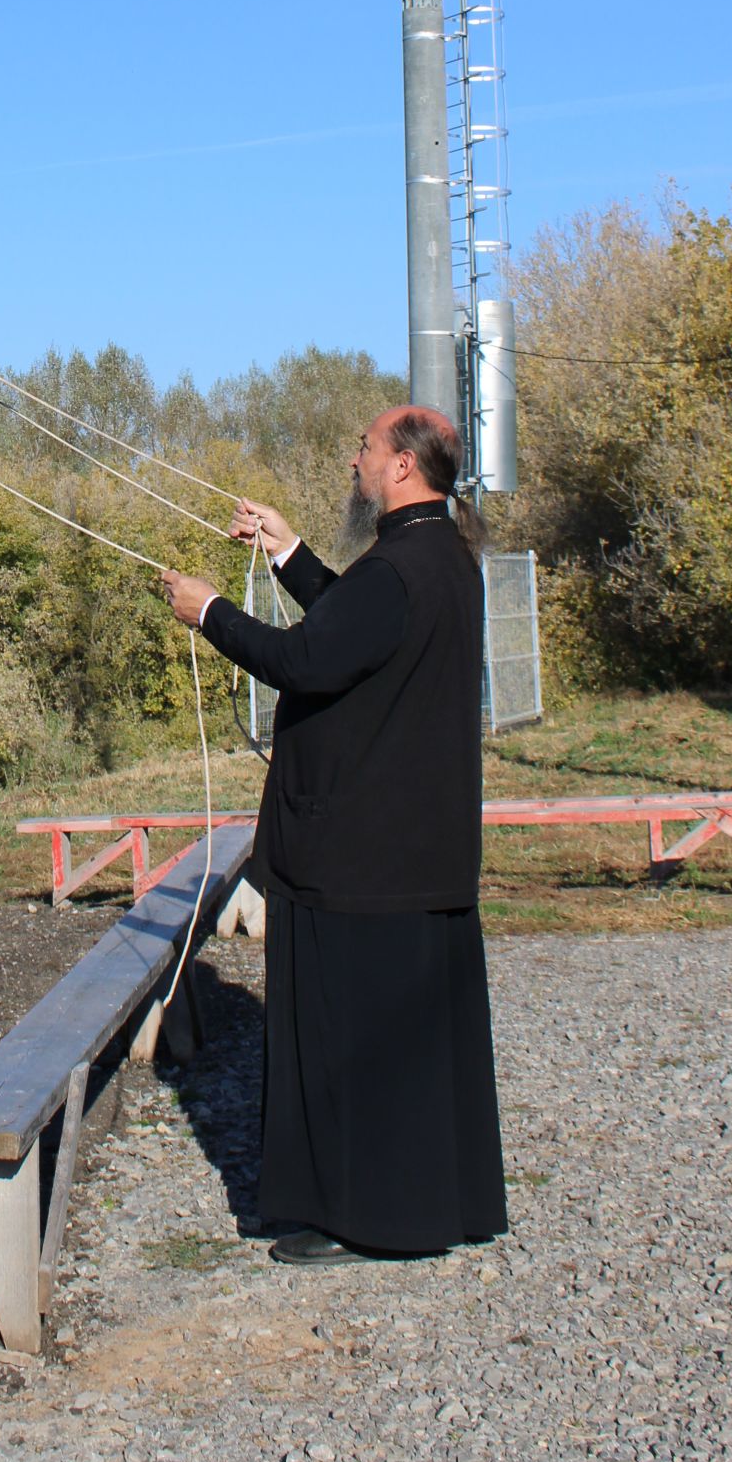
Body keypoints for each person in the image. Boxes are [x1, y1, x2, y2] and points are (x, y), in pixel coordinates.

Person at [160, 406, 506, 1266]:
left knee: (360, 1044)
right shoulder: (440, 559)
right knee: (411, 1045)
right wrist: (286, 550)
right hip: (413, 854)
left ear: (400, 469)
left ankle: (371, 1218)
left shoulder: (401, 568)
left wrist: (209, 614)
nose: (354, 461)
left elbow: (307, 662)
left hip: (362, 857)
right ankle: (430, 1205)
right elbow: (351, 626)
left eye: (364, 449)